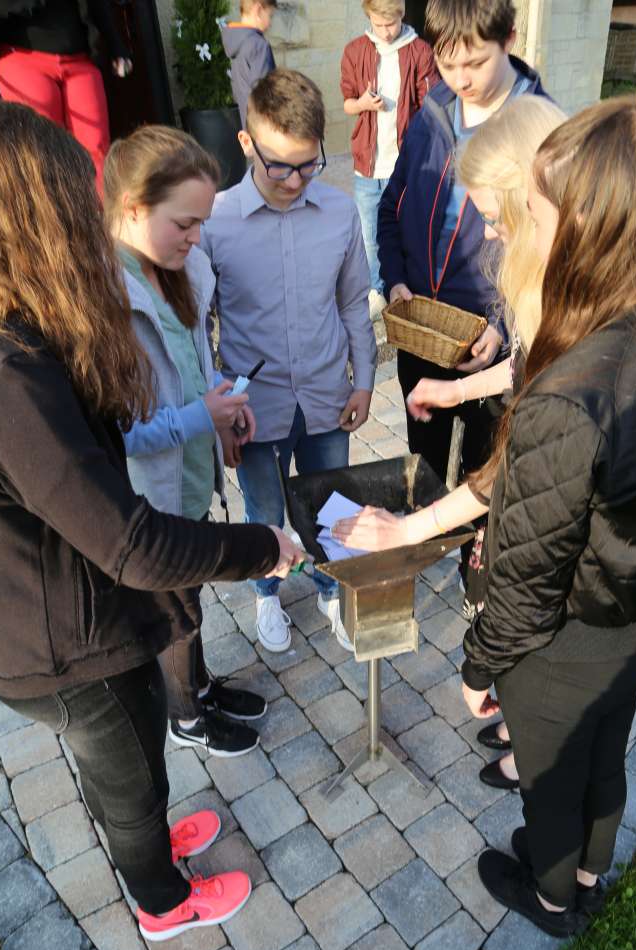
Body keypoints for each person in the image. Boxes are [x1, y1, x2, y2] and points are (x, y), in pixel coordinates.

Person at [0, 100, 304, 941]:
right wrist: (262, 547)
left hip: (72, 606)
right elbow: (130, 541)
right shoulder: (7, 378)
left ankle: (150, 850)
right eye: (69, 200)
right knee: (129, 774)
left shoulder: (24, 338)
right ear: (30, 215)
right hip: (64, 647)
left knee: (134, 771)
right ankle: (163, 901)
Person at [458, 81, 636, 937]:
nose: (518, 230)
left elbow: (525, 577)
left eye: (530, 210)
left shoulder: (571, 394)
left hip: (565, 645)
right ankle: (594, 872)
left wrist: (477, 665)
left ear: (587, 226)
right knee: (609, 753)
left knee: (552, 781)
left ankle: (557, 897)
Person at [334, 93, 565, 785]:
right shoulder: (542, 286)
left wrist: (411, 530)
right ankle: (522, 713)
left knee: (532, 627)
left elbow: (520, 467)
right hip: (533, 495)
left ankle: (536, 749)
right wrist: (456, 390)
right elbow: (520, 375)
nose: (488, 237)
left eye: (495, 219)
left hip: (558, 532)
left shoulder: (568, 304)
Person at [105, 124, 270, 759]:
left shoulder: (181, 267)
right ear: (132, 209)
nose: (198, 237)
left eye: (202, 222)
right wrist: (201, 417)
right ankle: (185, 714)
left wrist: (223, 409)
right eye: (185, 222)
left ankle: (198, 684)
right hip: (151, 494)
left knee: (190, 598)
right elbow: (120, 434)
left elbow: (195, 366)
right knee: (173, 609)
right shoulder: (104, 301)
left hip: (192, 475)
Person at [201, 69, 377, 655]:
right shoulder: (215, 222)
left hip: (327, 390)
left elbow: (353, 301)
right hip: (256, 406)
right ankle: (269, 597)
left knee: (332, 500)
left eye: (309, 164)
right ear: (247, 143)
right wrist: (218, 410)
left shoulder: (339, 212)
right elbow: (200, 326)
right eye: (280, 166)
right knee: (265, 508)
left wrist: (366, 379)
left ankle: (329, 586)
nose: (296, 180)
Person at [377, 0, 549, 491]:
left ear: (509, 40)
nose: (460, 80)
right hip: (423, 329)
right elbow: (390, 207)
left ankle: (472, 562)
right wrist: (395, 279)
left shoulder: (539, 128)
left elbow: (545, 254)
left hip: (491, 343)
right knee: (425, 468)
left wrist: (501, 324)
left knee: (487, 478)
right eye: (447, 64)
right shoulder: (431, 113)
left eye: (475, 63)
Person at [340, 0, 438, 321]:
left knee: (406, 227)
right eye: (378, 24)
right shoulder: (355, 51)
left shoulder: (420, 51)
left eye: (391, 24)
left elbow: (431, 108)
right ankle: (375, 291)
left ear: (402, 15)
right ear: (368, 17)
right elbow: (347, 105)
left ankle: (405, 286)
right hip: (368, 162)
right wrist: (364, 103)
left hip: (405, 163)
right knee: (369, 234)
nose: (385, 31)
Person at [0, 0, 132, 196]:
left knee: (97, 149)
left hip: (79, 58)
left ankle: (98, 220)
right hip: (20, 55)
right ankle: (54, 222)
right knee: (41, 153)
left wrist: (116, 44)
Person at [220, 0, 276, 127]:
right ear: (258, 10)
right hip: (265, 129)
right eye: (270, 15)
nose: (270, 23)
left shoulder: (236, 42)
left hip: (247, 123)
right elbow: (265, 95)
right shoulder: (258, 45)